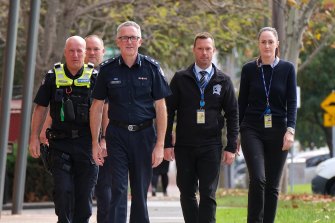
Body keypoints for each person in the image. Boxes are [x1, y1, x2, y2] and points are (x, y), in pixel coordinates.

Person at [89, 21, 171, 223]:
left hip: (144, 136)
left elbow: (161, 108)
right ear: (118, 42)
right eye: (124, 38)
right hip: (117, 135)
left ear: (140, 41)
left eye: (133, 37)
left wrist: (160, 144)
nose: (129, 42)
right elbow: (97, 107)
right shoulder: (107, 70)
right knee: (118, 188)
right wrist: (95, 142)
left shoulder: (152, 68)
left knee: (140, 191)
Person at [164, 32, 239, 223]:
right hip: (185, 145)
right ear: (194, 50)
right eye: (200, 49)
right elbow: (168, 111)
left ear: (213, 51)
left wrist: (231, 146)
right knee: (187, 192)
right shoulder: (181, 78)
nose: (204, 53)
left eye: (208, 49)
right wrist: (166, 143)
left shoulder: (223, 81)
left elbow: (232, 114)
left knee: (208, 193)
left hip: (211, 145)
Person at [29, 36, 99, 223]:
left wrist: (103, 140)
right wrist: (34, 137)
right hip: (60, 144)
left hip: (86, 144)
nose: (75, 55)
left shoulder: (95, 77)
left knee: (84, 197)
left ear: (85, 53)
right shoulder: (52, 77)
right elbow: (40, 108)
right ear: (65, 52)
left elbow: (105, 110)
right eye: (71, 50)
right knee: (63, 191)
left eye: (79, 51)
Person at [238, 27, 297, 223]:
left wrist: (290, 129)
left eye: (270, 42)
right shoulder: (248, 70)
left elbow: (292, 102)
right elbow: (241, 103)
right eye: (263, 42)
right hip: (252, 129)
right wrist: (236, 133)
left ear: (277, 44)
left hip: (279, 130)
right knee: (258, 178)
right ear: (258, 44)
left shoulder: (288, 69)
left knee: (272, 185)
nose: (267, 45)